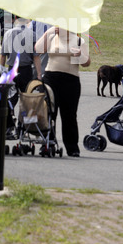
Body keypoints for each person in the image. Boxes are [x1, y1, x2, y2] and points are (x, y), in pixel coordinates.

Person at [35, 26, 91, 157]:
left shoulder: (78, 41)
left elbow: (86, 63)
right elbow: (37, 49)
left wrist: (80, 55)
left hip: (70, 79)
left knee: (69, 115)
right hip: (51, 77)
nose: (57, 27)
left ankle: (72, 147)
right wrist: (47, 33)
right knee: (49, 112)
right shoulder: (52, 37)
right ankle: (48, 142)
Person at [0, 16, 42, 106]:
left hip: (11, 69)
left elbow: (3, 55)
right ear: (27, 19)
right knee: (26, 97)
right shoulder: (32, 34)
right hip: (26, 70)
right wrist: (39, 74)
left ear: (15, 18)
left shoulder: (8, 34)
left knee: (11, 96)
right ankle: (24, 118)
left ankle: (10, 115)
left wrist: (1, 70)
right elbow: (36, 57)